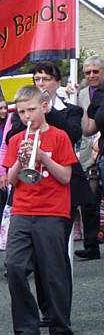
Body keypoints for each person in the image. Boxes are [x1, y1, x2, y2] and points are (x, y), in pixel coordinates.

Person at [3, 85, 75, 335]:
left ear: (44, 107)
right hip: (22, 210)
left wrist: (43, 156)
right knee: (14, 267)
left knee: (53, 274)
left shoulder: (59, 137)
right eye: (21, 112)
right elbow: (10, 181)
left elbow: (66, 177)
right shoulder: (15, 139)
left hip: (52, 213)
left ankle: (61, 334)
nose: (27, 116)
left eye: (31, 109)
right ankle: (27, 332)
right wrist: (21, 161)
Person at [76, 55, 104, 259]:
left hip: (100, 149)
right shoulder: (85, 94)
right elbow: (86, 129)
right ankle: (91, 245)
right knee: (89, 199)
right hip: (90, 155)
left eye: (96, 71)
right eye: (88, 72)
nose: (92, 75)